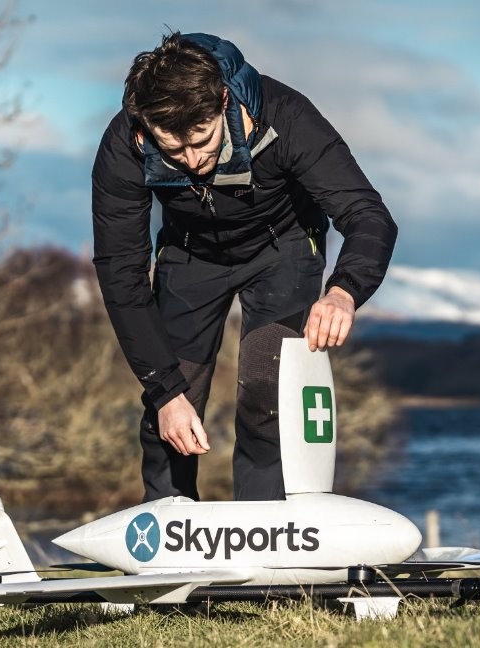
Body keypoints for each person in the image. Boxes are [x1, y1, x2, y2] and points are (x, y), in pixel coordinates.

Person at [91, 32, 397, 502]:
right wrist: (165, 392)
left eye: (202, 141)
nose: (192, 162)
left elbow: (368, 215)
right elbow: (121, 273)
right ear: (145, 126)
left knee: (265, 396)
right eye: (172, 149)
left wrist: (344, 291)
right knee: (170, 405)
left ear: (225, 101)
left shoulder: (287, 117)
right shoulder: (124, 145)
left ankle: (265, 538)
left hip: (284, 251)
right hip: (190, 256)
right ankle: (170, 528)